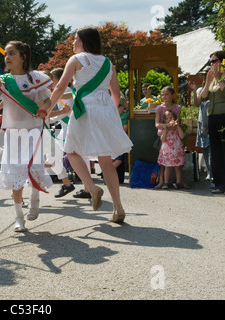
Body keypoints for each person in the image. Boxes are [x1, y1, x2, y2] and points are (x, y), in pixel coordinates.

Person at [41, 27, 133, 223]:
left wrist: (47, 111)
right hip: (106, 110)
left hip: (85, 111)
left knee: (71, 152)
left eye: (75, 39)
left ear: (83, 42)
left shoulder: (76, 60)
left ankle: (91, 187)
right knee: (105, 160)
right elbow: (115, 93)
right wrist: (111, 113)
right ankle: (118, 207)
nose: (73, 43)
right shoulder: (108, 63)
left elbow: (59, 87)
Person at [0, 41, 54, 231]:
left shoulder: (35, 78)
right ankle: (19, 217)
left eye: (12, 53)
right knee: (15, 172)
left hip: (33, 130)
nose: (7, 57)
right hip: (13, 133)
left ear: (23, 57)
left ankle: (35, 199)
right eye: (6, 54)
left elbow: (47, 99)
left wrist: (43, 109)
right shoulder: (2, 79)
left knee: (34, 167)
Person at [200, 50, 225, 195]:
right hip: (212, 117)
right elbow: (203, 97)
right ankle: (219, 184)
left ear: (222, 61)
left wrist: (220, 79)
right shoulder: (212, 78)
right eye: (210, 61)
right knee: (216, 152)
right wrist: (208, 81)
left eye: (214, 61)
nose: (212, 64)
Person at [44, 67, 77, 198]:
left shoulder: (64, 91)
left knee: (54, 156)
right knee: (53, 155)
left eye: (52, 79)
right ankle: (67, 183)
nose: (51, 82)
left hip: (69, 128)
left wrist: (55, 116)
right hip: (54, 129)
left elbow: (67, 111)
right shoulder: (48, 94)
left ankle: (31, 178)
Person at [154, 86, 182, 189]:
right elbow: (157, 124)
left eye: (167, 94)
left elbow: (178, 121)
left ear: (172, 95)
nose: (164, 97)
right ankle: (161, 181)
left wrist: (174, 124)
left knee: (176, 161)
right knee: (163, 162)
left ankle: (179, 181)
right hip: (164, 136)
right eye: (162, 94)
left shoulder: (177, 108)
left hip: (174, 137)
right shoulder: (159, 108)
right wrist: (166, 126)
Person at [157, 111, 189, 189]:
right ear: (164, 121)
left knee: (178, 167)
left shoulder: (177, 128)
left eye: (171, 118)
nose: (169, 120)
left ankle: (178, 183)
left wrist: (178, 126)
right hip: (168, 151)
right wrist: (165, 129)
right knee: (167, 166)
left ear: (175, 119)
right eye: (167, 119)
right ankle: (166, 182)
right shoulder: (165, 129)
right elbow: (163, 139)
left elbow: (182, 136)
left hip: (177, 150)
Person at [189, 70, 212, 181]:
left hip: (212, 121)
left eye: (205, 75)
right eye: (203, 76)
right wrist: (194, 90)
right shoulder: (199, 90)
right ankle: (209, 172)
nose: (204, 78)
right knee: (205, 149)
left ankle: (213, 172)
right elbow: (197, 103)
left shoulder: (214, 88)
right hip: (203, 122)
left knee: (213, 148)